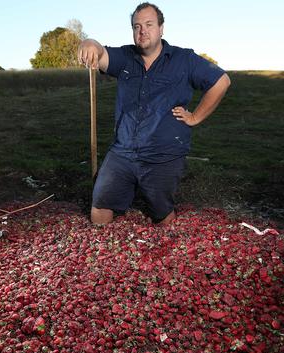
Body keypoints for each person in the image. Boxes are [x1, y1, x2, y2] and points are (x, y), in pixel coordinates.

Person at [78, 2, 231, 225]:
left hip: (163, 154)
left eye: (149, 24)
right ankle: (108, 252)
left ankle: (165, 249)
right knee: (100, 209)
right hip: (123, 152)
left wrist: (195, 117)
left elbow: (221, 81)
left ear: (161, 28)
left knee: (162, 216)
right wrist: (89, 42)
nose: (142, 31)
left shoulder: (184, 59)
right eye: (136, 26)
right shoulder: (125, 57)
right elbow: (100, 54)